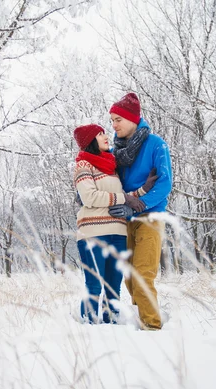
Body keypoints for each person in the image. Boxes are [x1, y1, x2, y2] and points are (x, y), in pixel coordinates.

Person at [73, 124, 157, 324]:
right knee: (94, 285)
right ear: (90, 140)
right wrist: (124, 199)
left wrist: (143, 190)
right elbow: (90, 197)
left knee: (113, 286)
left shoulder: (111, 168)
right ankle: (89, 327)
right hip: (93, 233)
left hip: (118, 233)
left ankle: (111, 324)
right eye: (100, 134)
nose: (105, 136)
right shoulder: (83, 165)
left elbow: (122, 198)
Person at [108, 93, 173, 330]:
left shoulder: (156, 144)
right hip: (125, 218)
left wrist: (141, 203)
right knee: (129, 276)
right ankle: (140, 318)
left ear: (132, 119)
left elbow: (165, 183)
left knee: (144, 274)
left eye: (118, 120)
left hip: (150, 216)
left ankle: (153, 328)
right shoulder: (117, 150)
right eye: (112, 120)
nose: (113, 125)